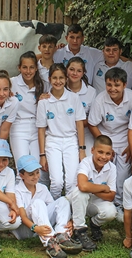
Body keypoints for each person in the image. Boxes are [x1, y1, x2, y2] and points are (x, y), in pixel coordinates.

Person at [88, 67, 132, 222]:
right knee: (105, 171)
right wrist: (105, 146)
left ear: (124, 84)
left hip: (125, 138)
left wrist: (131, 145)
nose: (112, 89)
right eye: (109, 85)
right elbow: (92, 124)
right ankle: (101, 203)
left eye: (117, 85)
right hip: (106, 136)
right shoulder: (100, 99)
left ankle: (119, 205)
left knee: (122, 175)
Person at [12, 155, 82, 258]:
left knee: (62, 200)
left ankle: (62, 235)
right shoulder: (17, 190)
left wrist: (69, 220)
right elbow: (22, 216)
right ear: (21, 175)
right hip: (26, 229)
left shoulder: (42, 188)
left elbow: (55, 209)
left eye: (37, 172)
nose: (36, 177)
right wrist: (35, 228)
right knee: (38, 203)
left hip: (42, 226)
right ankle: (50, 242)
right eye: (31, 174)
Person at [37, 63, 86, 200]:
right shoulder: (44, 102)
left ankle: (69, 214)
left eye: (61, 78)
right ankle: (54, 211)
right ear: (49, 79)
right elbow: (41, 130)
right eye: (54, 78)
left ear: (66, 79)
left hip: (71, 141)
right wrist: (42, 155)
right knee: (57, 183)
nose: (58, 81)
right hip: (53, 142)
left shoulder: (74, 98)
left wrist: (82, 149)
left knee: (71, 182)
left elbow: (80, 125)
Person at [66, 135, 117, 251]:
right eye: (100, 152)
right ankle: (79, 231)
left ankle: (94, 225)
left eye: (107, 154)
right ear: (92, 150)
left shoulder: (112, 168)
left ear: (111, 154)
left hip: (92, 202)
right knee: (81, 193)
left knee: (111, 211)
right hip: (76, 202)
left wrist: (91, 188)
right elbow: (83, 186)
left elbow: (111, 196)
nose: (103, 157)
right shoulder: (85, 163)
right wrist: (103, 187)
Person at [10, 51, 49, 185]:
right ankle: (20, 203)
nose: (28, 71)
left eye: (31, 67)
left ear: (36, 68)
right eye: (24, 67)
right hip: (18, 127)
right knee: (22, 167)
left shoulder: (42, 84)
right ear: (19, 68)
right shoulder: (12, 83)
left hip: (37, 128)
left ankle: (40, 202)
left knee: (39, 168)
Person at [66, 57, 97, 152]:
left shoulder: (91, 91)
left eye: (79, 71)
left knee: (87, 158)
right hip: (64, 132)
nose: (75, 73)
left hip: (85, 131)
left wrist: (75, 123)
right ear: (66, 70)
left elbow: (92, 119)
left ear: (83, 73)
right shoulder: (59, 88)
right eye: (71, 69)